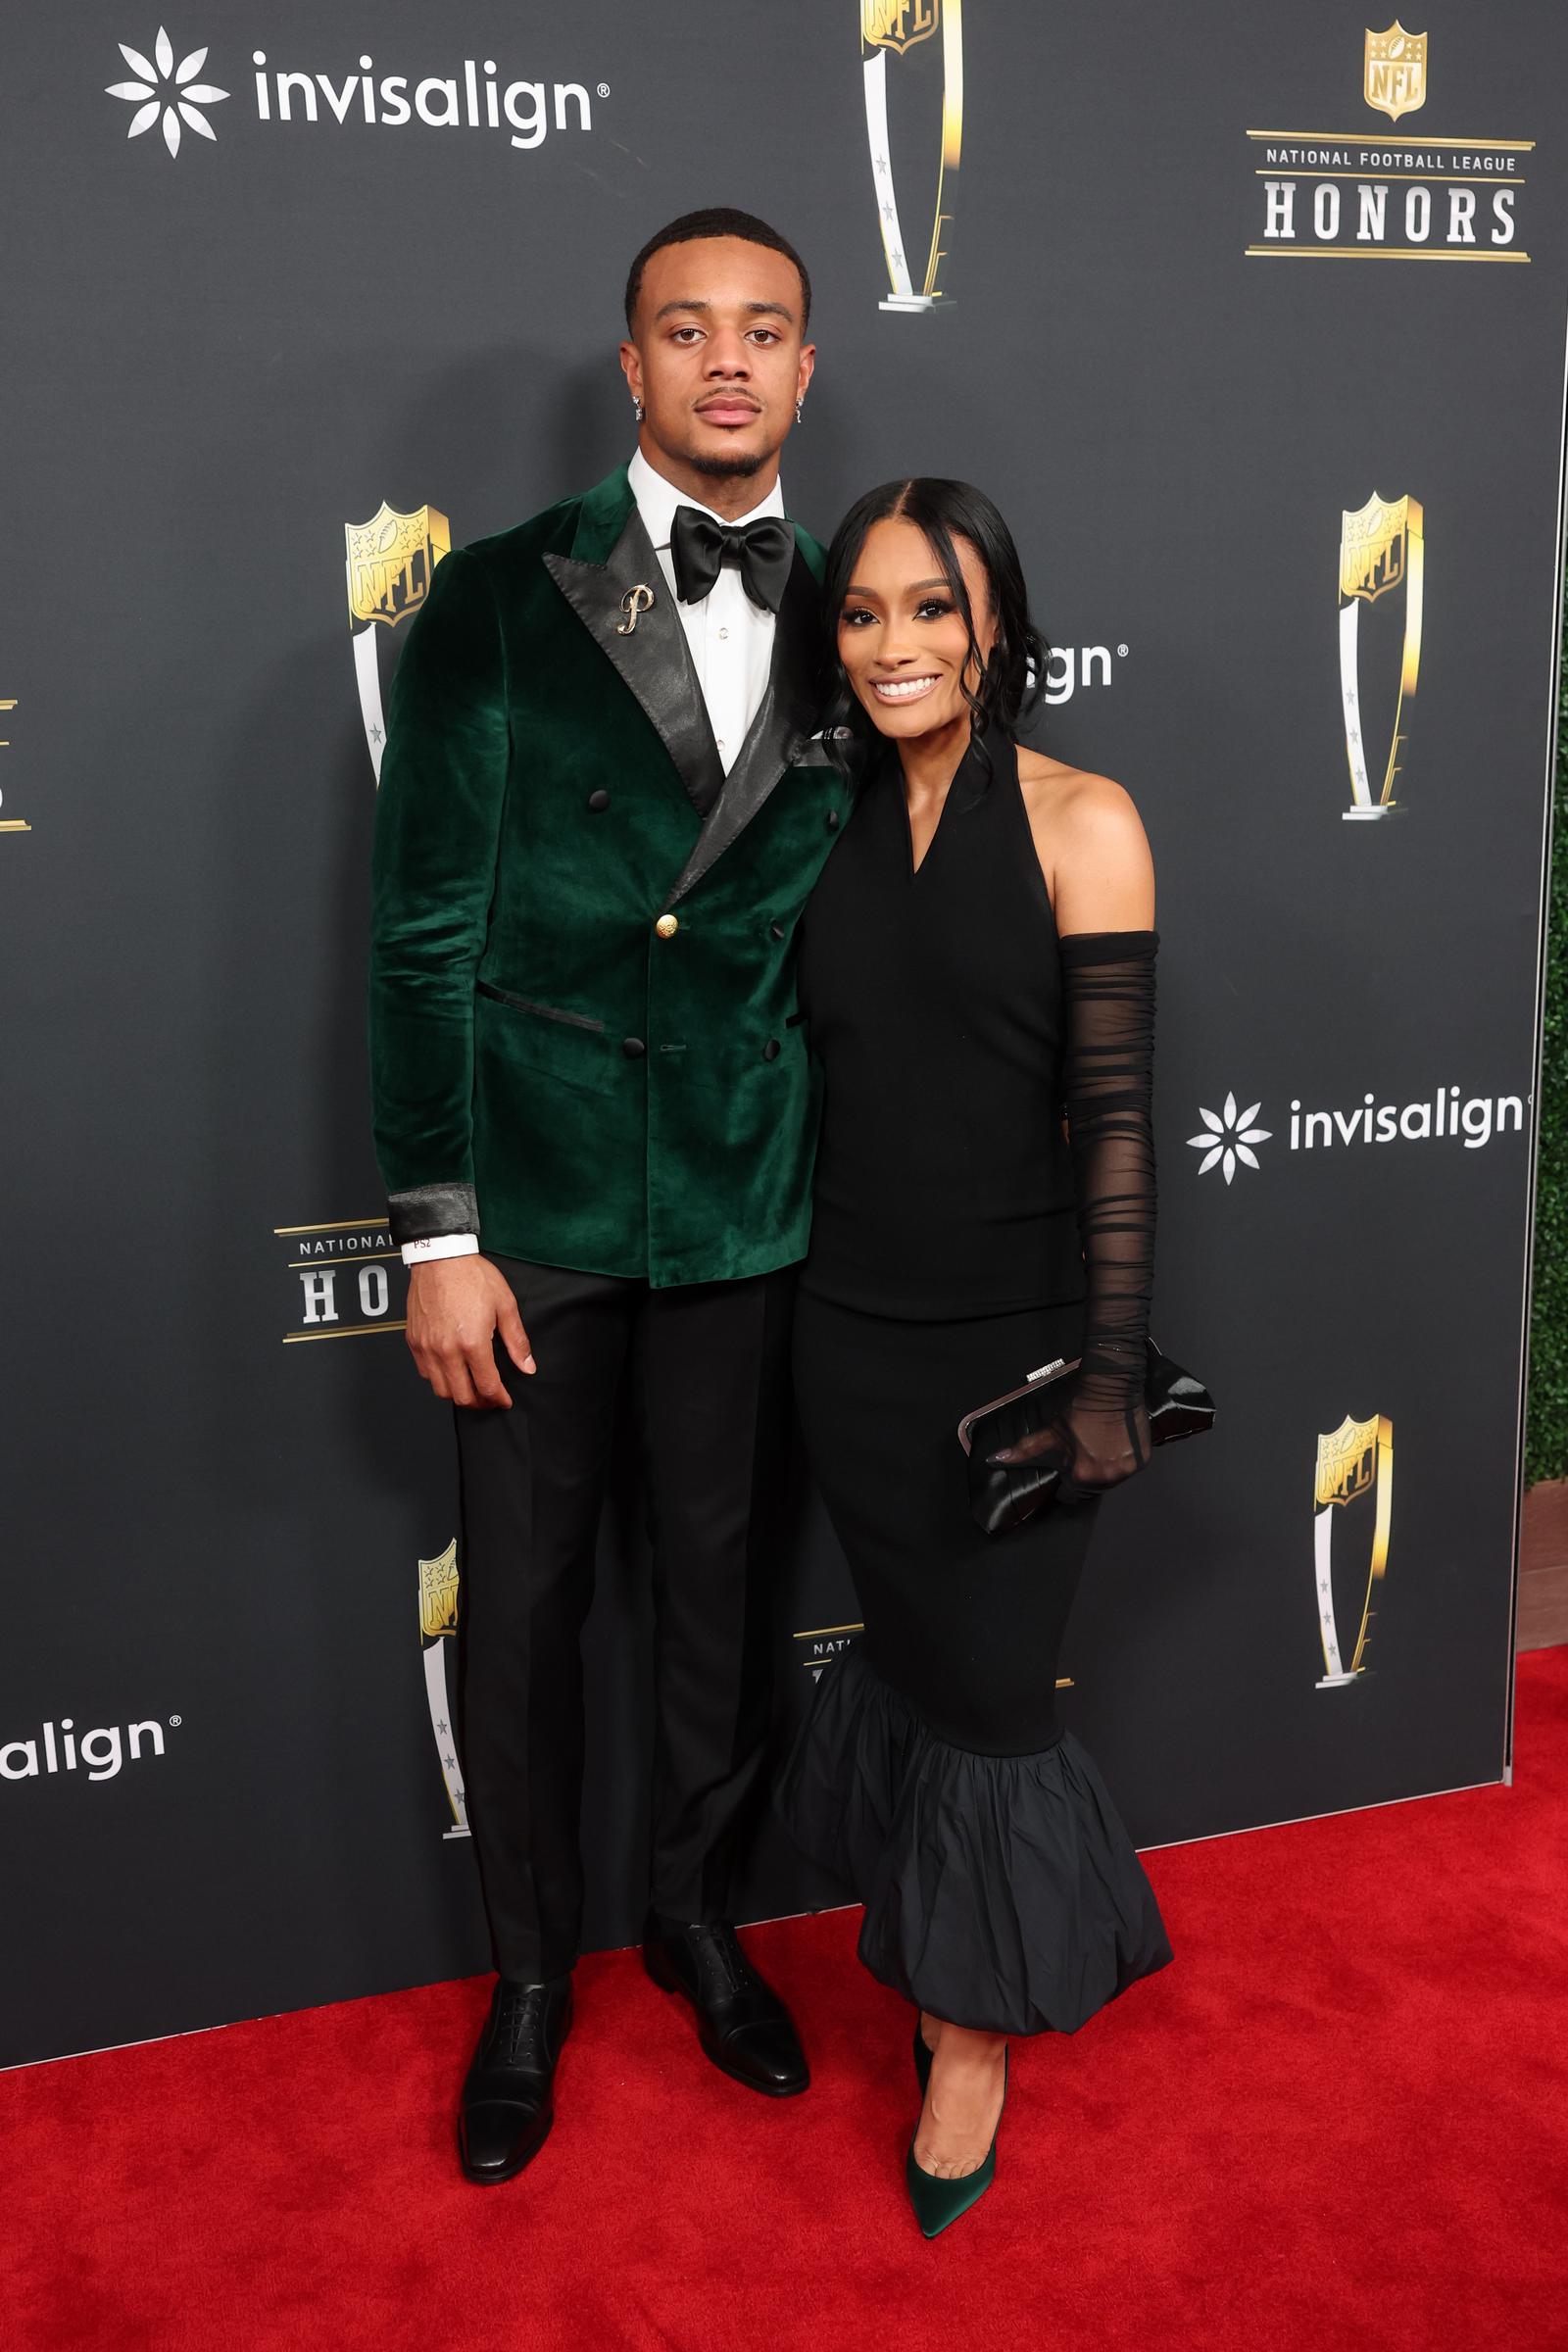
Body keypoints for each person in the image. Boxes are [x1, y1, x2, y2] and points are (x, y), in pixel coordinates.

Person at [368, 209, 850, 2185]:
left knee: (721, 1615)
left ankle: (690, 1919)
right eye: (685, 329)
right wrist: (437, 1232)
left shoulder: (864, 612)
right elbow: (418, 939)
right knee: (530, 1619)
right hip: (542, 1222)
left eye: (761, 331)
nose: (724, 361)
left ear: (804, 369)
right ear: (629, 367)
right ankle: (529, 1985)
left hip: (747, 1205)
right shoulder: (490, 600)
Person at [777, 480, 1172, 2237]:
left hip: (1016, 1368)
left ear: (998, 621)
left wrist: (1103, 1375)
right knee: (925, 1675)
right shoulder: (820, 823)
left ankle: (970, 2042)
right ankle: (936, 1968)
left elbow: (1115, 1129)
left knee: (1000, 1704)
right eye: (862, 614)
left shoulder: (1086, 821)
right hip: (844, 1341)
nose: (896, 647)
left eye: (932, 609)